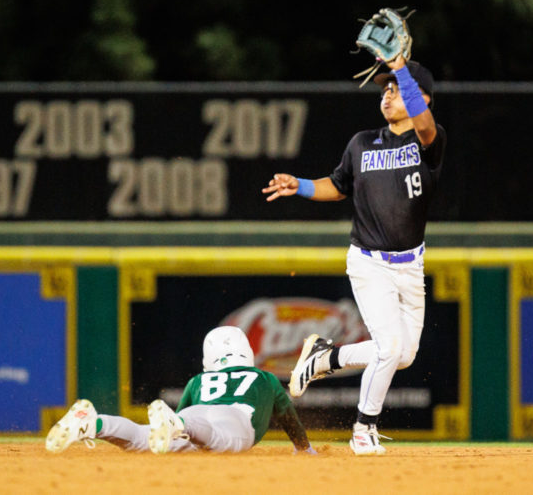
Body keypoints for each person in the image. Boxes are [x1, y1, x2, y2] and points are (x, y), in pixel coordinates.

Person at [262, 55, 445, 456]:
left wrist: (401, 70)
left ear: (422, 98)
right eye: (385, 88)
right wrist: (302, 186)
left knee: (405, 355)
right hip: (369, 262)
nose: (388, 93)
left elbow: (427, 126)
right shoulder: (362, 143)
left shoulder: (427, 141)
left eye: (396, 88)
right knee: (391, 346)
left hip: (411, 266)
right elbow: (339, 185)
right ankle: (364, 429)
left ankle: (326, 358)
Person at [45, 326, 315, 455]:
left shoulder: (197, 381)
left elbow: (180, 415)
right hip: (232, 418)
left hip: (193, 417)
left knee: (142, 437)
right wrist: (303, 448)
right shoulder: (265, 378)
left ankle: (92, 423)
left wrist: (179, 422)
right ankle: (180, 424)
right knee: (222, 442)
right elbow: (287, 414)